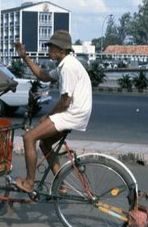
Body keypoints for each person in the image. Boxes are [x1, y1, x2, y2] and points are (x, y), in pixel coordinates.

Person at [13, 30, 92, 193]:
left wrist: (48, 116)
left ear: (61, 51)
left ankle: (29, 183)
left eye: (51, 47)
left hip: (73, 113)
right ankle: (61, 184)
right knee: (45, 143)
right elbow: (43, 76)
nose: (49, 50)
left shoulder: (68, 67)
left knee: (29, 138)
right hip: (75, 111)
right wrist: (24, 56)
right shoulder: (65, 63)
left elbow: (65, 101)